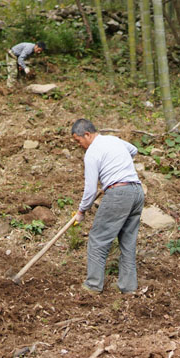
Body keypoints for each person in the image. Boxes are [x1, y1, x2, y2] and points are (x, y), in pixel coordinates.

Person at [71, 119, 144, 295]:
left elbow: (89, 190)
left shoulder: (92, 153)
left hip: (119, 193)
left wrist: (81, 211)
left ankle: (93, 285)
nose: (78, 145)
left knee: (98, 238)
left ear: (87, 134)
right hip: (137, 192)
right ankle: (128, 286)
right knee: (127, 241)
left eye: (78, 140)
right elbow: (133, 150)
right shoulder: (113, 140)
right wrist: (119, 163)